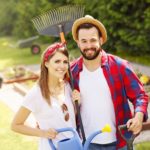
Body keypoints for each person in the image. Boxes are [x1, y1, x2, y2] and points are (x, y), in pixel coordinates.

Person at [70, 15, 149, 150]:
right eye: (84, 41)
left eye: (93, 40)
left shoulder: (119, 66)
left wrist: (139, 116)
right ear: (78, 42)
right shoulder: (72, 72)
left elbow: (140, 96)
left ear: (101, 40)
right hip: (88, 144)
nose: (89, 46)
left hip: (120, 142)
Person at [11, 42, 79, 150]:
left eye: (65, 62)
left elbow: (67, 119)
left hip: (73, 146)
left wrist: (77, 103)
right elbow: (16, 125)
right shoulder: (36, 93)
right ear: (46, 63)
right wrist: (43, 133)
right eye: (57, 61)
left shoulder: (67, 86)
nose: (62, 66)